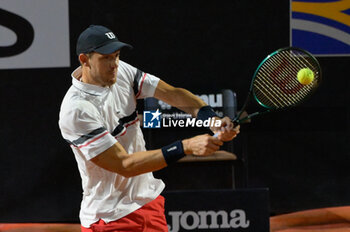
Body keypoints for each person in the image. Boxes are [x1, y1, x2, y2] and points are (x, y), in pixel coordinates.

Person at [58, 25, 240, 232]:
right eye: (106, 58)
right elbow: (124, 165)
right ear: (84, 60)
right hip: (110, 218)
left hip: (148, 203)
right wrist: (185, 146)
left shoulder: (123, 72)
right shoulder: (77, 110)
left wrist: (212, 120)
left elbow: (172, 93)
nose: (114, 64)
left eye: (116, 56)